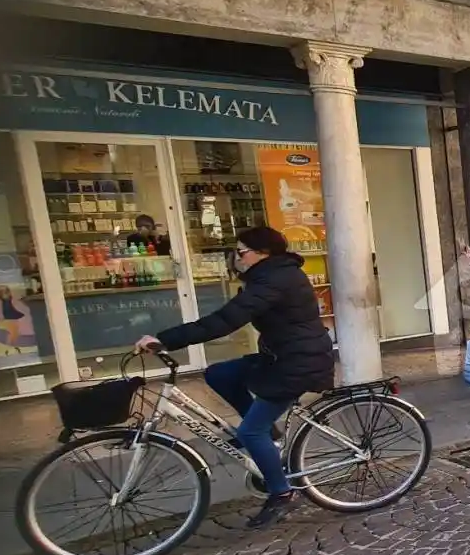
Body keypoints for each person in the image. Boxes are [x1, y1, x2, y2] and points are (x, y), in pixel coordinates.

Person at [135, 226, 333, 529]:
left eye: (241, 252)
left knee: (252, 432)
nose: (237, 258)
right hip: (281, 356)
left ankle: (282, 493)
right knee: (219, 374)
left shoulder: (275, 279)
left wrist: (165, 340)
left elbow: (226, 320)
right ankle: (267, 437)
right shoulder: (269, 275)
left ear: (262, 253)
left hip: (298, 363)